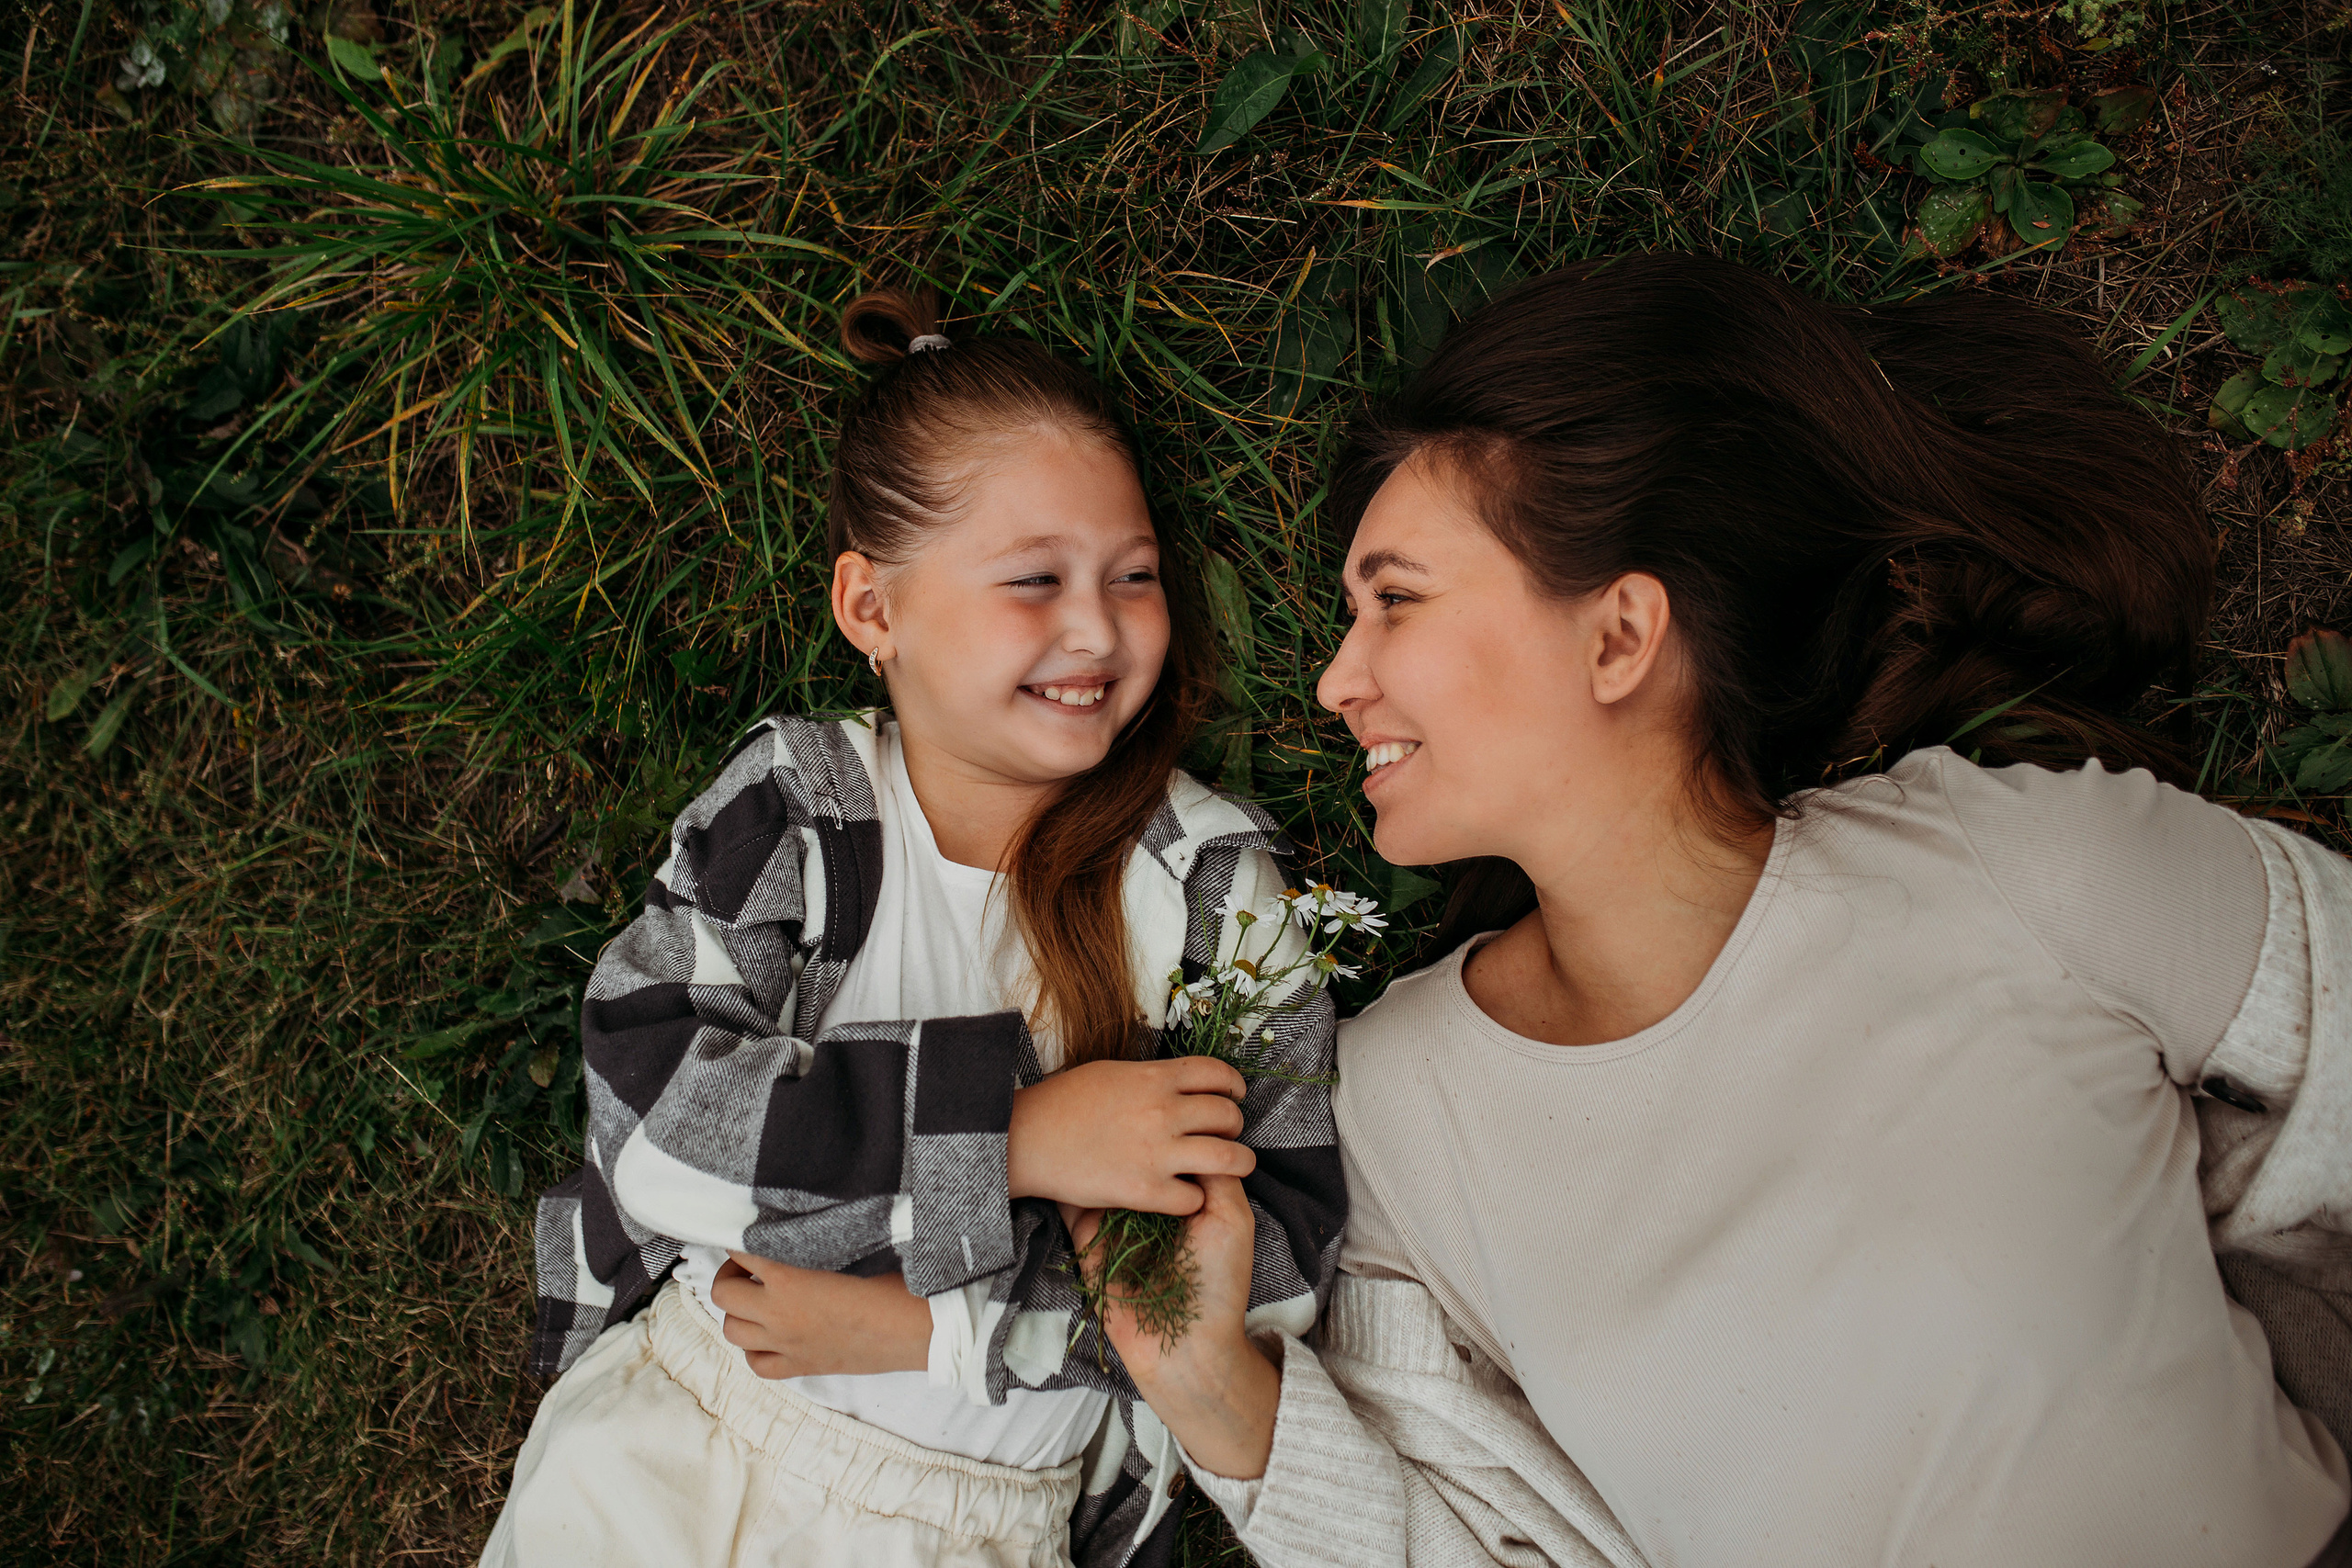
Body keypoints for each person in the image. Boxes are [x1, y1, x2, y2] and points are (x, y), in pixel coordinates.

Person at [1076, 253, 2352, 1567]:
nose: (1338, 680)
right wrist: (1211, 1389)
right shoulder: (1400, 1118)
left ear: (1620, 637)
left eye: (1394, 599)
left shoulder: (2017, 862)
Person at [480, 288, 1345, 1568]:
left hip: (983, 1526)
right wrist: (1013, 1138)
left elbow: (1270, 1295)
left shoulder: (1213, 895)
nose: (1098, 629)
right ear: (873, 611)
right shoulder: (802, 809)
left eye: (1136, 576)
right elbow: (660, 1125)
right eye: (1035, 580)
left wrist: (926, 1331)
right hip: (681, 1464)